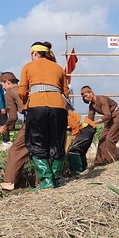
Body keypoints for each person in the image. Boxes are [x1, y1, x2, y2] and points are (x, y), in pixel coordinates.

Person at [18, 41, 69, 190]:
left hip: (37, 106)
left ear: (34, 53)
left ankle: (46, 181)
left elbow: (22, 92)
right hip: (58, 107)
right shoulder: (59, 68)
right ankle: (57, 178)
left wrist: (25, 101)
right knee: (57, 141)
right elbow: (66, 93)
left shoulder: (28, 66)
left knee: (37, 142)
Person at [80, 86, 119, 165]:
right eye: (83, 97)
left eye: (86, 96)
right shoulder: (91, 106)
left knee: (109, 139)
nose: (85, 98)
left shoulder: (102, 99)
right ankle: (99, 162)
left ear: (91, 93)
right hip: (108, 120)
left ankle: (111, 162)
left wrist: (96, 123)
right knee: (102, 139)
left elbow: (107, 115)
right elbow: (90, 119)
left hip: (117, 116)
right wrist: (82, 126)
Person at [0, 72, 29, 191]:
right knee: (39, 150)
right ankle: (40, 181)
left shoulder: (10, 93)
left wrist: (6, 127)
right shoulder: (25, 88)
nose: (3, 88)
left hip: (32, 120)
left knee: (15, 151)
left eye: (3, 85)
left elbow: (13, 117)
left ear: (8, 82)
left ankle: (9, 182)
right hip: (45, 117)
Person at [66, 109, 96, 176]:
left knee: (74, 149)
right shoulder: (62, 113)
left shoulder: (64, 115)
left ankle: (77, 171)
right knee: (81, 150)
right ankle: (83, 169)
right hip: (88, 128)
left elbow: (75, 127)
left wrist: (73, 138)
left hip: (87, 128)